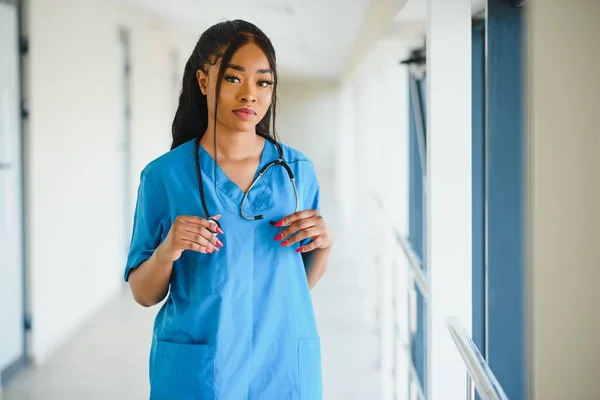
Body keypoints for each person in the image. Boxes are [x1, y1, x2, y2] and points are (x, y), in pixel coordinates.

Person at [124, 19, 334, 399]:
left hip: (283, 361)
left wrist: (324, 246)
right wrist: (168, 249)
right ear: (204, 82)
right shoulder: (164, 176)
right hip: (204, 370)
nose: (250, 94)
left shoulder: (296, 172)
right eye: (234, 78)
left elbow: (294, 286)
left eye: (263, 81)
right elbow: (143, 292)